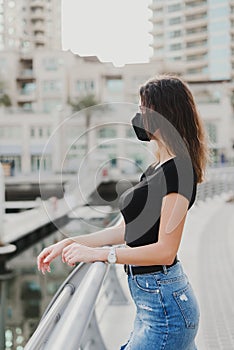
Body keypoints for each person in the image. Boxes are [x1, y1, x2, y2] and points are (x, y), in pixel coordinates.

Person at [37, 75, 209, 350]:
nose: (138, 117)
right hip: (154, 304)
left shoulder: (179, 171)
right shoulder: (157, 168)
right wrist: (72, 242)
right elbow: (130, 230)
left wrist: (101, 255)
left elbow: (165, 250)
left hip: (166, 310)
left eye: (143, 110)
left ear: (164, 113)